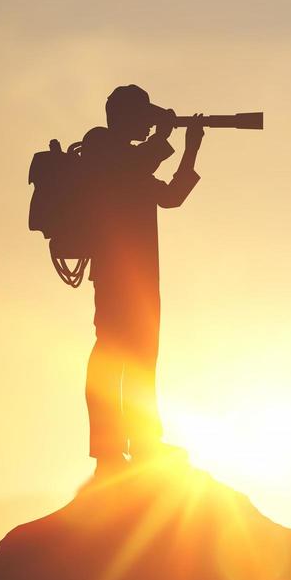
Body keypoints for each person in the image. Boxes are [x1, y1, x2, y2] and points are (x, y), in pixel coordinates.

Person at [84, 84, 202, 478]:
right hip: (116, 274)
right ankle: (107, 448)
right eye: (142, 115)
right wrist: (163, 138)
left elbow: (170, 197)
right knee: (112, 358)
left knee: (142, 357)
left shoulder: (132, 161)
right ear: (124, 117)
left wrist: (190, 149)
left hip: (142, 278)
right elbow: (128, 168)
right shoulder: (100, 146)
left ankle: (145, 441)